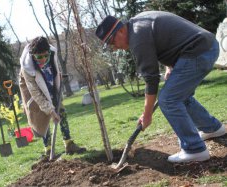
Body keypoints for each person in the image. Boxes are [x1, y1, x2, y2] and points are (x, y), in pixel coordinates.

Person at [95, 11, 226, 163]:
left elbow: (151, 80)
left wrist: (147, 114)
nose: (114, 48)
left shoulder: (137, 37)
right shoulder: (140, 23)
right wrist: (170, 67)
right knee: (179, 96)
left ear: (121, 30)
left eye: (112, 42)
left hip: (199, 51)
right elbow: (168, 40)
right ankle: (212, 128)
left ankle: (194, 149)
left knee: (168, 99)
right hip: (204, 47)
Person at [19, 36, 86, 156]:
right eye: (39, 57)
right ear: (33, 55)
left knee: (61, 110)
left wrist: (57, 76)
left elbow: (55, 67)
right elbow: (36, 93)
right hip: (31, 85)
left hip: (47, 79)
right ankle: (48, 149)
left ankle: (68, 143)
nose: (43, 59)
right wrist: (50, 111)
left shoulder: (51, 53)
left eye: (46, 56)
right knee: (43, 114)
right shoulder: (27, 68)